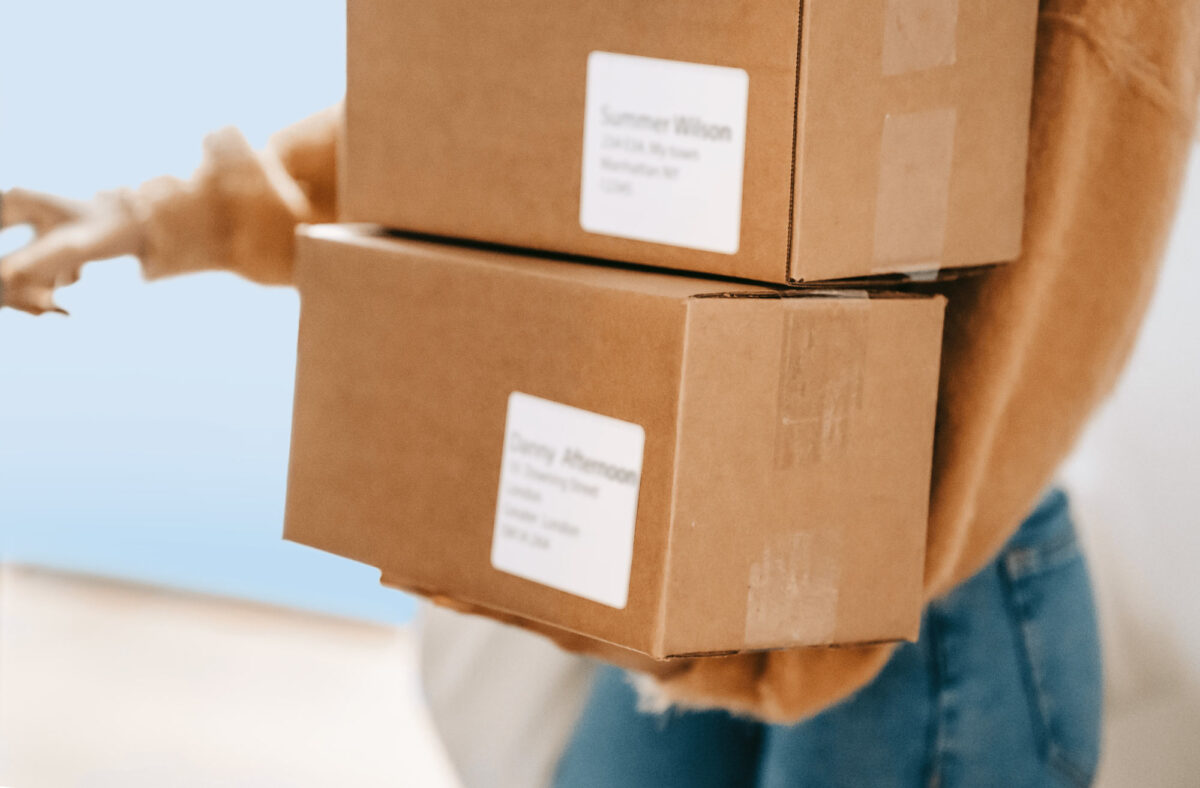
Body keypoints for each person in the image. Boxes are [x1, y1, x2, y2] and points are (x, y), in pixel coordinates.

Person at [3, 0, 1198, 784]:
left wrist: (815, 557)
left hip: (930, 586)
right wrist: (171, 217)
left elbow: (1055, 263)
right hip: (728, 564)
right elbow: (536, 105)